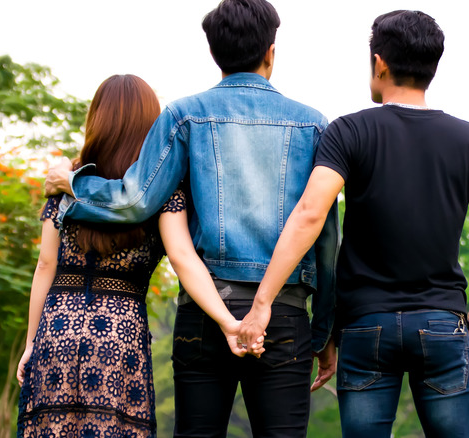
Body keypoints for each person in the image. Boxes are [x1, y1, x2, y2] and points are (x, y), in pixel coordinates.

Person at [43, 1, 340, 435]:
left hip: (203, 313)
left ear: (214, 53)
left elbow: (134, 200)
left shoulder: (184, 116)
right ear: (271, 52)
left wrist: (74, 184)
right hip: (284, 314)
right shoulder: (313, 125)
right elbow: (325, 237)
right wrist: (324, 332)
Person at [239, 10, 469, 438]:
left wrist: (263, 304)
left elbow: (311, 214)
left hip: (366, 326)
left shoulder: (348, 132)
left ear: (379, 63)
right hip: (443, 323)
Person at [16, 74, 244, 438]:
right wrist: (228, 321)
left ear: (95, 120)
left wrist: (31, 343)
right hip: (118, 337)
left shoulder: (65, 180)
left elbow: (46, 265)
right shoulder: (162, 191)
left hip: (57, 331)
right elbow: (182, 258)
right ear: (151, 127)